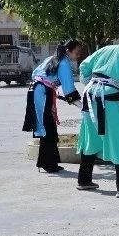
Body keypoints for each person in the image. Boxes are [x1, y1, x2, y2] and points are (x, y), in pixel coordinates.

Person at [76, 26, 119, 198]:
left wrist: (90, 82)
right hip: (110, 100)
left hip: (90, 96)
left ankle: (83, 180)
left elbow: (84, 65)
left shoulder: (106, 49)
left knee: (90, 136)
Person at [22, 39, 82, 173]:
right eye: (77, 53)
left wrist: (51, 86)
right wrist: (81, 106)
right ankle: (47, 163)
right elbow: (68, 88)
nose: (78, 56)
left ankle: (51, 162)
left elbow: (35, 73)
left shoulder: (52, 58)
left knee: (49, 126)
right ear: (68, 51)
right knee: (47, 126)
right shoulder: (64, 63)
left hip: (37, 90)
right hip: (42, 93)